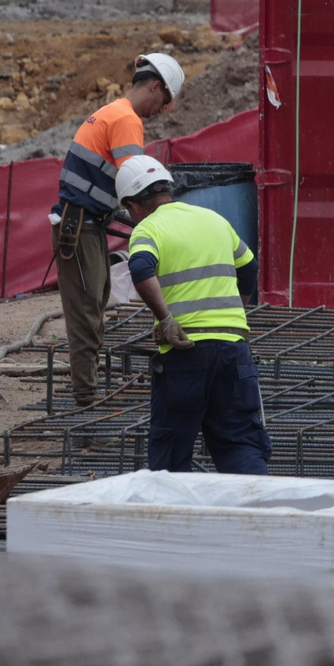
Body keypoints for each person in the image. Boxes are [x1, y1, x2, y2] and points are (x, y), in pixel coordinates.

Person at [118, 153, 271, 474]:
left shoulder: (148, 228)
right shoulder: (214, 219)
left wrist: (166, 319)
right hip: (234, 350)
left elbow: (141, 267)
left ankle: (171, 520)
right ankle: (258, 516)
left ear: (132, 205)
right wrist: (237, 309)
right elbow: (250, 265)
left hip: (185, 353)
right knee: (241, 444)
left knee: (171, 455)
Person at [51, 52, 184, 408]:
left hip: (84, 225)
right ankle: (86, 401)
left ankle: (87, 393)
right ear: (155, 87)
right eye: (164, 101)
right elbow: (136, 187)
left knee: (92, 312)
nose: (161, 110)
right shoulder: (127, 120)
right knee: (86, 317)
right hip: (80, 229)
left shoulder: (114, 112)